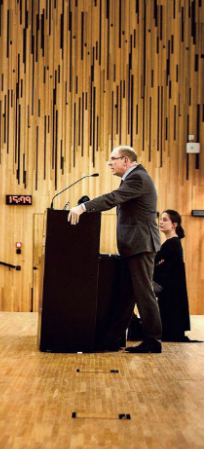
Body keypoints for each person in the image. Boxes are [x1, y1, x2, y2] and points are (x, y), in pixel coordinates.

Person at [67, 146, 162, 353]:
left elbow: (112, 198)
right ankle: (112, 339)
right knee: (126, 294)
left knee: (144, 293)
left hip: (141, 245)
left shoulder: (138, 178)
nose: (110, 163)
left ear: (126, 161)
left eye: (113, 159)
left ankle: (153, 340)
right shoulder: (133, 178)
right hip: (135, 246)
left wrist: (83, 208)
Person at [153, 210, 192, 342]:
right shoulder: (171, 243)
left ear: (174, 224)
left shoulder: (172, 243)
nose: (161, 222)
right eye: (161, 219)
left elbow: (159, 266)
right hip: (170, 288)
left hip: (169, 289)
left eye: (165, 220)